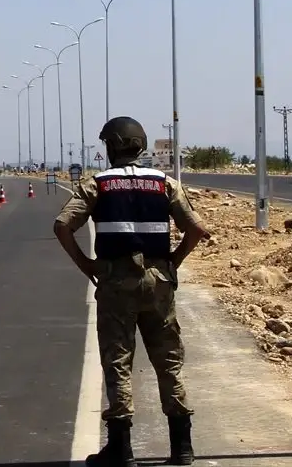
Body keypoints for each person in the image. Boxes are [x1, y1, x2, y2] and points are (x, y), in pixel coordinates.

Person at [53, 116, 210, 467]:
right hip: (159, 283)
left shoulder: (98, 185)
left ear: (110, 147)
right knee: (168, 361)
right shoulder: (165, 184)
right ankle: (182, 447)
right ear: (140, 145)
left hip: (115, 284)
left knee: (118, 360)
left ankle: (122, 450)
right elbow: (197, 229)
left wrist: (87, 265)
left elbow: (63, 224)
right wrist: (172, 264)